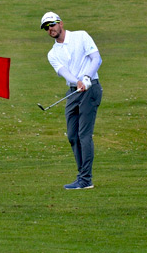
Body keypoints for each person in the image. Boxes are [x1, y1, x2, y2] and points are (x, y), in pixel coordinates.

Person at [40, 11, 103, 189]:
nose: (50, 29)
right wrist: (77, 81)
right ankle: (82, 177)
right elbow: (63, 72)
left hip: (91, 89)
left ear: (60, 23)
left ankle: (85, 179)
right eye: (46, 27)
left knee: (84, 135)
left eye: (52, 24)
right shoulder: (52, 53)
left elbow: (96, 58)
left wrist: (86, 77)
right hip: (74, 90)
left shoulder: (81, 36)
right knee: (73, 136)